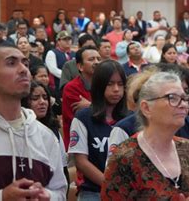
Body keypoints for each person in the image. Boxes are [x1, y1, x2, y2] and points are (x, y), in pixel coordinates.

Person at [101, 71, 189, 200]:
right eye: (172, 98)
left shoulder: (188, 149)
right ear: (146, 108)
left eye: (184, 98)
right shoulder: (125, 157)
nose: (183, 105)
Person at [0, 44, 67, 200]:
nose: (23, 70)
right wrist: (2, 196)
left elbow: (61, 191)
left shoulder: (45, 135)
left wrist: (47, 195)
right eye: (11, 63)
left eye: (26, 64)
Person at [69, 60, 128, 200]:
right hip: (93, 191)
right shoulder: (83, 118)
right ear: (99, 86)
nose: (116, 89)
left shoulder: (131, 119)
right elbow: (81, 162)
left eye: (120, 84)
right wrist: (110, 186)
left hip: (126, 193)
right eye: (110, 84)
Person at [21, 81, 69, 185]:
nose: (42, 102)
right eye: (35, 98)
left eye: (45, 97)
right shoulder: (19, 130)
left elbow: (63, 170)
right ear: (25, 102)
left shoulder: (53, 130)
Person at [62, 46, 101, 149]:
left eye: (98, 59)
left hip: (101, 141)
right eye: (91, 59)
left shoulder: (105, 84)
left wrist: (89, 106)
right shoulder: (71, 88)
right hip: (79, 144)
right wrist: (97, 108)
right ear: (80, 67)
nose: (97, 62)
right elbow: (85, 119)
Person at [45, 31, 75, 96]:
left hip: (73, 87)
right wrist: (68, 77)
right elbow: (53, 70)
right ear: (58, 41)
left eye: (69, 39)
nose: (68, 41)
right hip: (57, 87)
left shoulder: (74, 54)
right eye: (64, 39)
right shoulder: (52, 53)